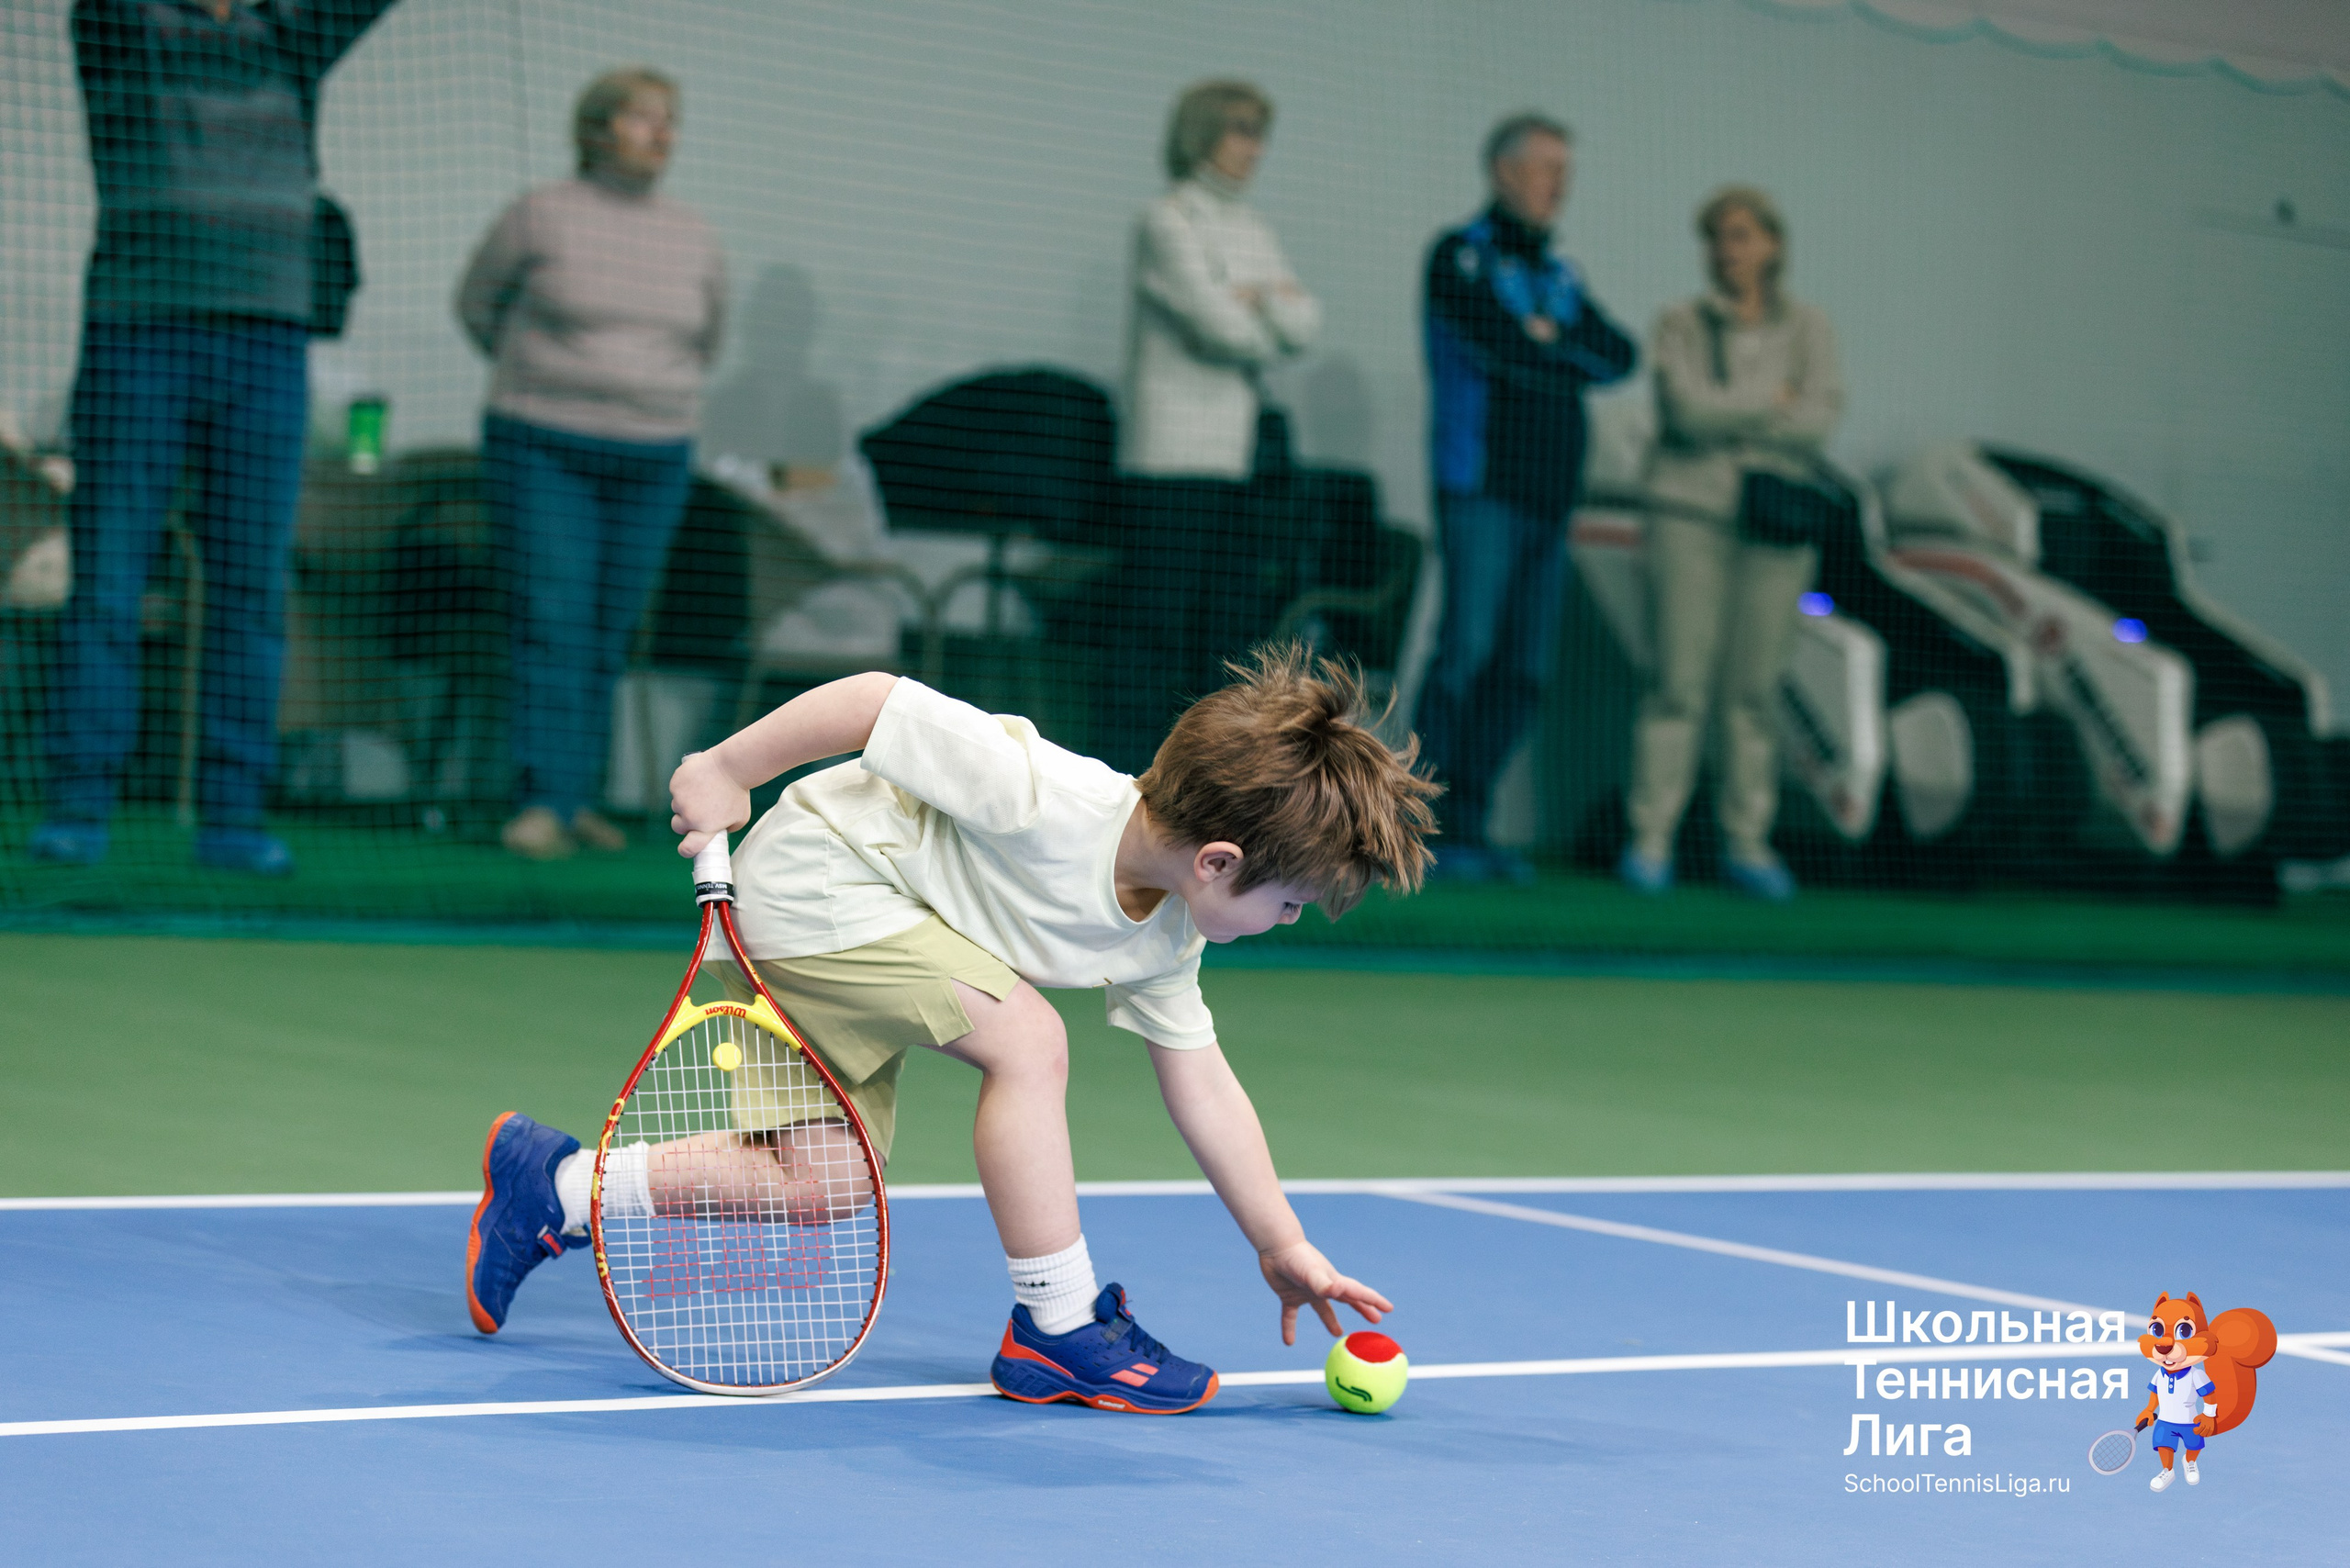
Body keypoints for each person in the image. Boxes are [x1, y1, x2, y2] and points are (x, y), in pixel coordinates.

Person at [465, 645, 1434, 1413]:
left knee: (824, 1184)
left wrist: (1281, 1240)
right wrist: (725, 768)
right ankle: (1056, 1324)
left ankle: (550, 1185)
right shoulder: (1044, 795)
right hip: (819, 881)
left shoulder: (1166, 936)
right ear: (1219, 863)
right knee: (1029, 1039)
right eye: (1292, 902)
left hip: (877, 932)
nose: (1288, 921)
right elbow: (874, 702)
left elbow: (1201, 1080)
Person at [28, 0, 399, 874]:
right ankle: (79, 806)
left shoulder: (289, 36)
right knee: (110, 578)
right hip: (138, 330)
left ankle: (233, 816)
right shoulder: (125, 25)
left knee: (249, 585)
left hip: (268, 340)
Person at [455, 67, 727, 860]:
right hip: (543, 444)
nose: (661, 135)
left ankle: (577, 802)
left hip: (655, 456)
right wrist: (557, 380)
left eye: (670, 121)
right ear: (597, 129)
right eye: (645, 119)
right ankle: (541, 800)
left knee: (608, 628)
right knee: (553, 618)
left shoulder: (693, 233)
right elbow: (478, 306)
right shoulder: (540, 214)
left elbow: (706, 337)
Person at [1414, 113, 1635, 883]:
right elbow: (1499, 350)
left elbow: (1619, 354)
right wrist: (1548, 349)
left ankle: (1469, 825)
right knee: (1465, 655)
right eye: (1546, 167)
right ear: (1505, 171)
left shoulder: (1561, 277)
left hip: (1550, 499)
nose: (1558, 185)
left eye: (1564, 169)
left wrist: (1550, 345)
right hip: (1480, 490)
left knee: (1523, 670)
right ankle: (1420, 829)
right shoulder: (1459, 257)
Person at [1621, 185, 1843, 902]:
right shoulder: (1679, 322)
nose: (1728, 248)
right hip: (1688, 516)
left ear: (1773, 243)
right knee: (1678, 684)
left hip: (1775, 526)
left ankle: (1747, 843)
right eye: (1717, 236)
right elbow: (1684, 414)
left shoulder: (1810, 328)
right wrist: (1768, 403)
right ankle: (1651, 840)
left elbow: (1817, 420)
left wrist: (1740, 417)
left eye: (1742, 234)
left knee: (1753, 691)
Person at [1107, 80, 1320, 773]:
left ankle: (1201, 790)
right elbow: (1223, 329)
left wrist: (1251, 301)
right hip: (1168, 462)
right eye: (1238, 128)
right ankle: (1126, 784)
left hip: (1236, 464)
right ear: (1201, 132)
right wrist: (1258, 302)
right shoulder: (1166, 220)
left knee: (1221, 633)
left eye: (1260, 131)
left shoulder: (1252, 229)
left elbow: (1304, 325)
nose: (1251, 146)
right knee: (1155, 630)